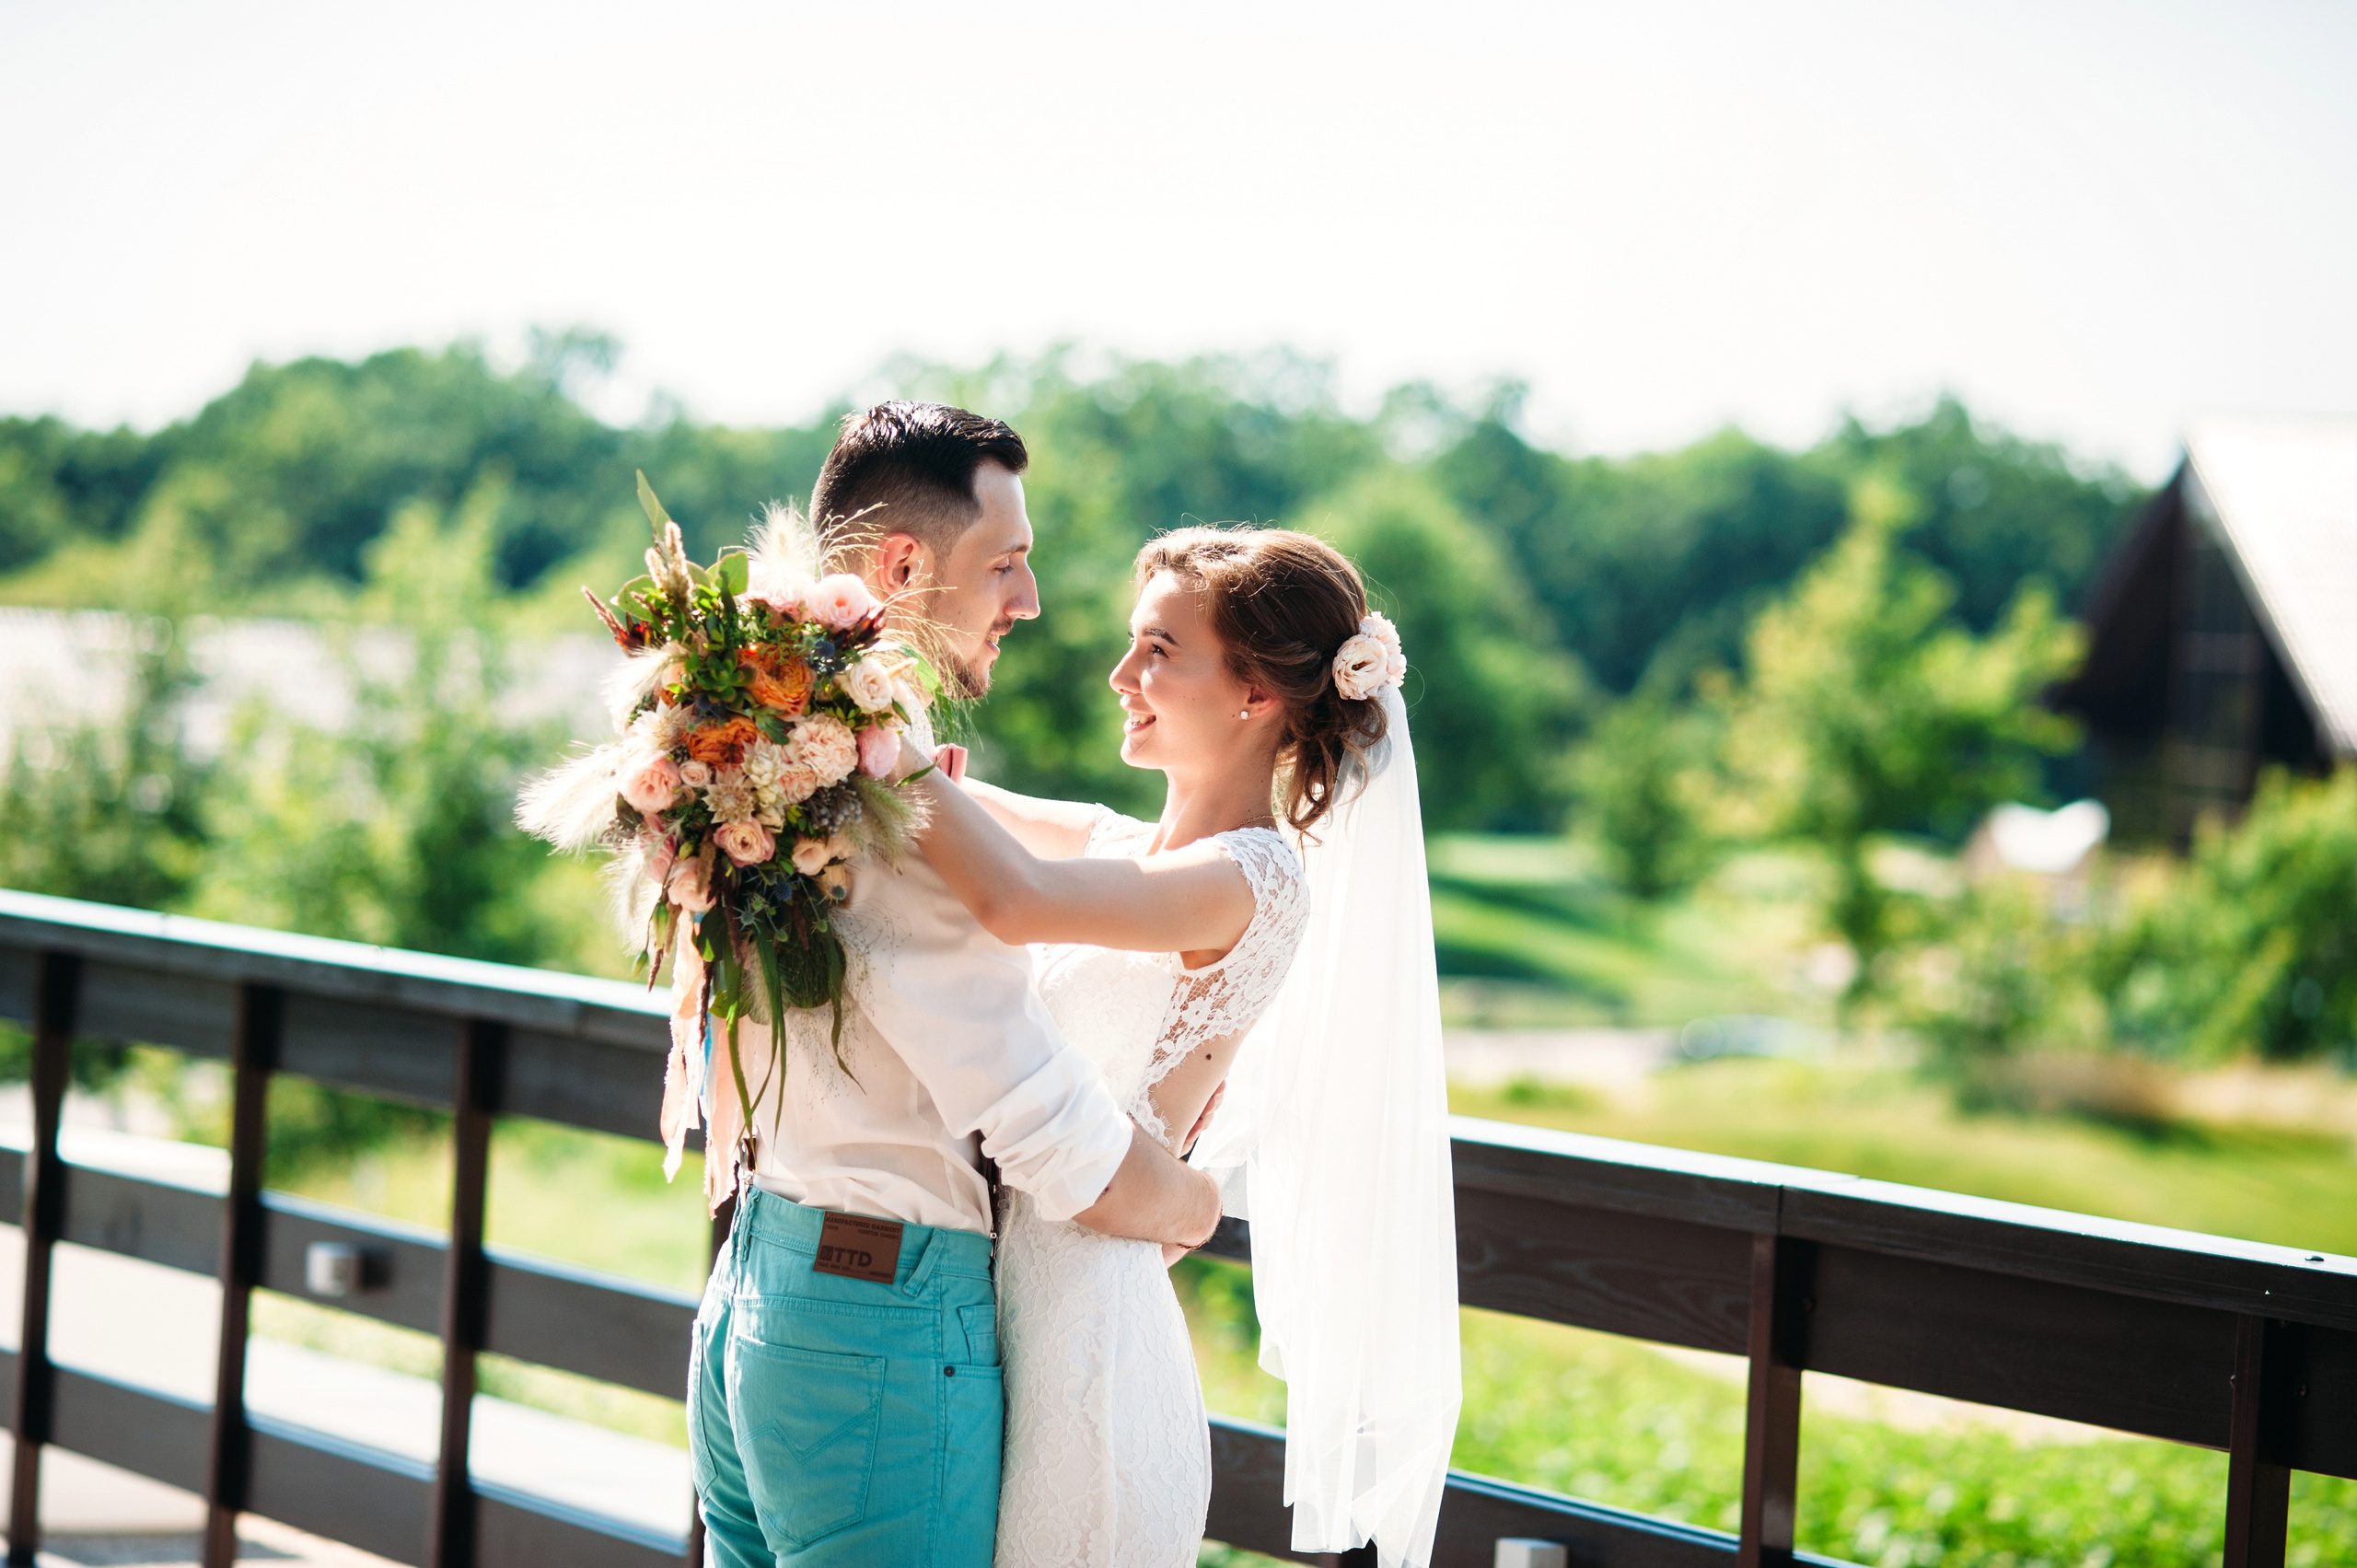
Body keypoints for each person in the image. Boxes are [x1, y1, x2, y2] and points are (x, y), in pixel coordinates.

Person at [685, 403, 1225, 1568]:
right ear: (901, 567)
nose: (1026, 601)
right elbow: (1037, 1115)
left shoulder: (777, 735)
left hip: (756, 1279)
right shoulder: (886, 796)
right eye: (1006, 563)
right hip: (871, 1321)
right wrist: (1191, 1205)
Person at [898, 526, 1462, 1567]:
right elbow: (951, 802)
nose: (1121, 675)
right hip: (1000, 1303)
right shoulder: (1128, 846)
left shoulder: (1251, 878)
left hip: (1088, 1340)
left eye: (1158, 649)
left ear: (1254, 693)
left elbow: (1016, 898)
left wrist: (880, 758)